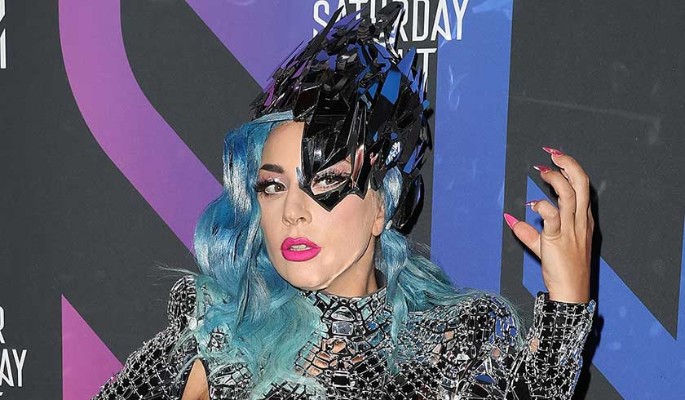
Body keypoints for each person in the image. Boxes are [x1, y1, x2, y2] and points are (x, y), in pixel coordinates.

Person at [95, 4, 595, 400]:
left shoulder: (456, 345)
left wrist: (567, 306)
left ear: (382, 207)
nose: (293, 212)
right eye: (273, 187)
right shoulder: (216, 338)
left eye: (326, 180)